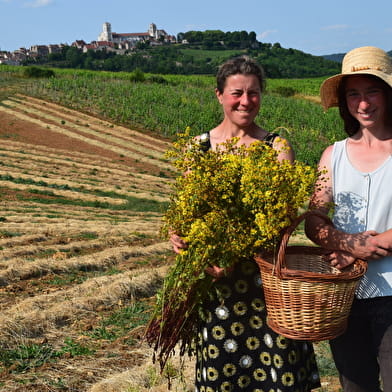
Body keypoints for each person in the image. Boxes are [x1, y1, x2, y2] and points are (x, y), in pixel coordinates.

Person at [170, 56, 321, 392]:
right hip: (217, 283)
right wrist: (179, 236)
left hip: (265, 281)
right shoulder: (198, 148)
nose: (246, 101)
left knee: (276, 374)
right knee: (225, 374)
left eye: (253, 93)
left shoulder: (276, 147)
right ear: (219, 95)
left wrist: (237, 248)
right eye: (237, 92)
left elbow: (283, 221)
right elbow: (187, 212)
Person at [305, 46, 392, 392]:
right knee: (356, 386)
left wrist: (361, 247)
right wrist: (344, 243)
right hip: (345, 296)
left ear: (387, 94)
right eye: (354, 94)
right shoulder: (333, 155)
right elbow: (314, 219)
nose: (364, 103)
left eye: (372, 91)